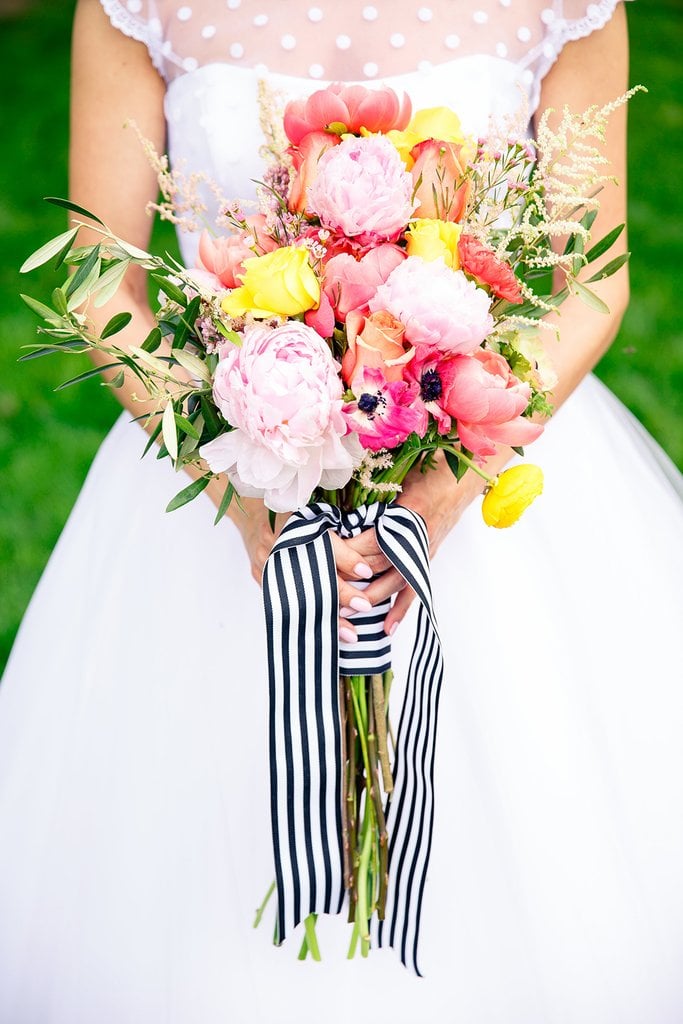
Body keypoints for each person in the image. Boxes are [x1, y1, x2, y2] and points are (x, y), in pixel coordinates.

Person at [1, 1, 682, 1021]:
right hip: (220, 457)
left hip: (481, 482)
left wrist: (442, 488)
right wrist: (238, 484)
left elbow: (590, 276)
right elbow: (101, 268)